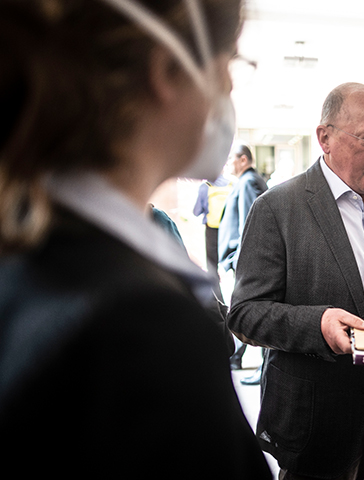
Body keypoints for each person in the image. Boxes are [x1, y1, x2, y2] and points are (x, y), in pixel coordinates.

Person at [0, 0, 271, 477]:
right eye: (228, 63)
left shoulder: (28, 248)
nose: (229, 87)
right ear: (166, 69)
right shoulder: (146, 324)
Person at [228, 82, 364, 479]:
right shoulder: (277, 208)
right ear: (324, 138)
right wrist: (318, 323)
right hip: (318, 414)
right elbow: (244, 314)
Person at [218, 142, 268, 374]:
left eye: (232, 159)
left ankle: (239, 358)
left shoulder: (248, 182)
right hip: (238, 260)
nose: (228, 164)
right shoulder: (245, 182)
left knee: (242, 313)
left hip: (242, 262)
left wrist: (239, 261)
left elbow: (251, 227)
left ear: (244, 160)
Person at [193, 158, 235, 274]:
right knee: (232, 261)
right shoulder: (233, 185)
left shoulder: (205, 187)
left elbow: (196, 211)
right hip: (229, 230)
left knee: (212, 264)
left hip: (212, 229)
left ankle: (216, 292)